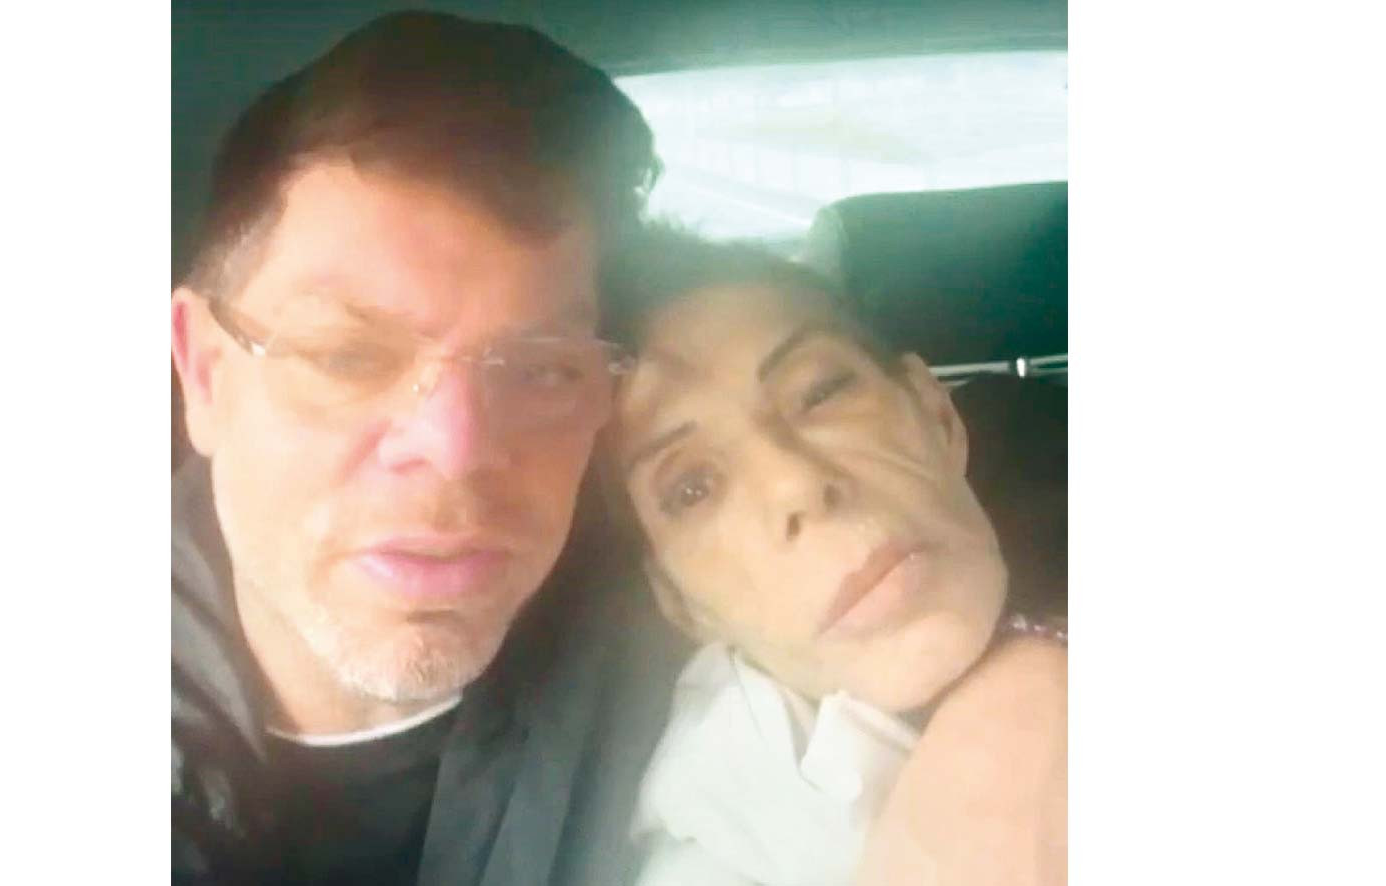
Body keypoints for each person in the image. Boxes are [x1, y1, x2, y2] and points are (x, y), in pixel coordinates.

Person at [169, 12, 686, 884]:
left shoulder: (704, 667)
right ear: (206, 376)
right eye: (347, 357)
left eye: (542, 371)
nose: (456, 450)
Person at [601, 230, 1068, 886]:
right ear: (681, 605)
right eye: (692, 488)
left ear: (937, 415)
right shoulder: (715, 843)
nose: (795, 484)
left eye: (820, 393)